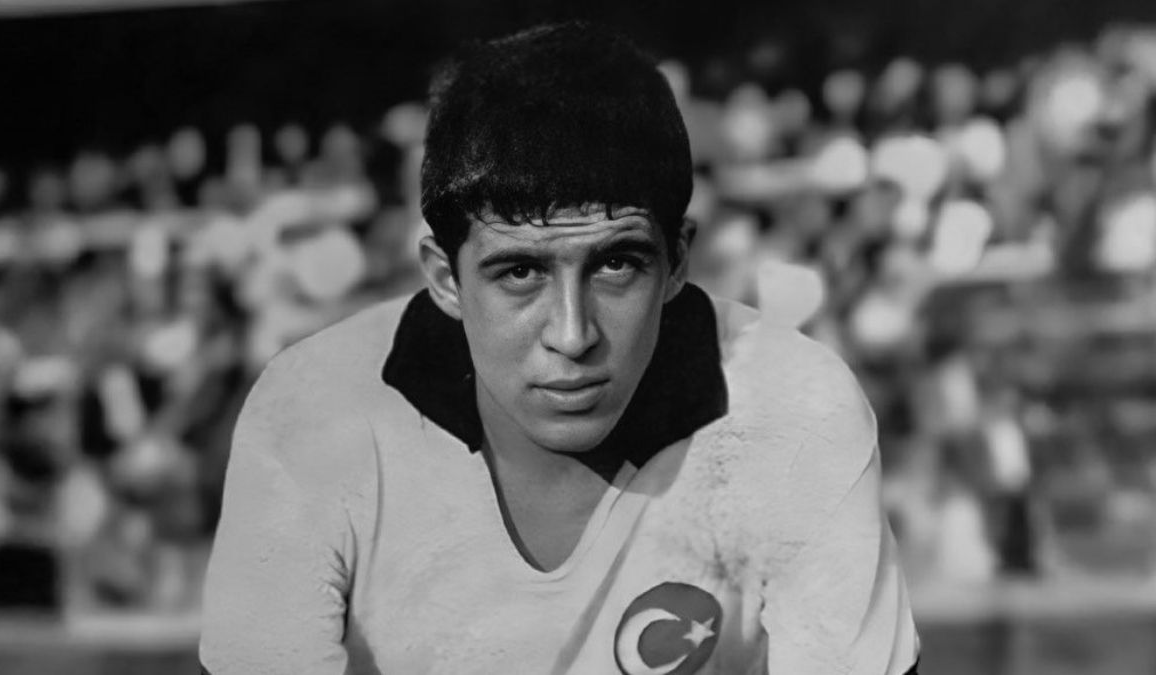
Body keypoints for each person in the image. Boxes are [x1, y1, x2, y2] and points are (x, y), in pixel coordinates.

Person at [199, 21, 920, 675]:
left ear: (677, 261)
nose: (572, 335)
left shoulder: (792, 410)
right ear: (445, 278)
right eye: (520, 272)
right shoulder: (316, 412)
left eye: (616, 264)